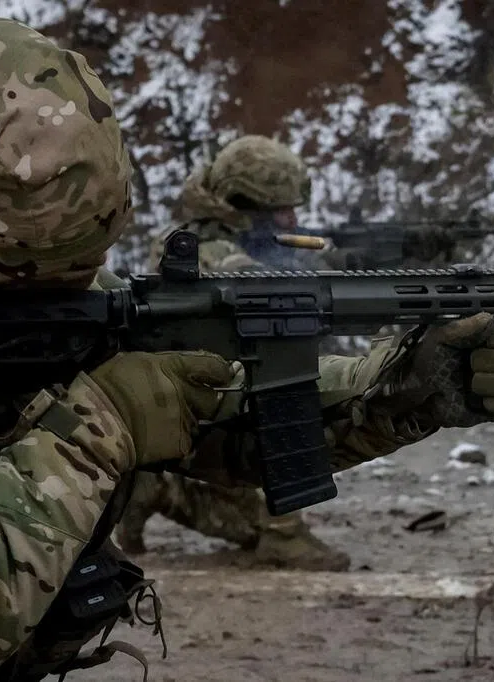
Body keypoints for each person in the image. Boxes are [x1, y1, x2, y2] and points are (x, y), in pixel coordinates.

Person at [0, 17, 494, 682]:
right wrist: (104, 419)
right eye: (33, 277)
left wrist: (401, 386)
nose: (68, 290)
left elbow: (217, 413)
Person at [118, 136, 351, 572]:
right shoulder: (201, 248)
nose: (292, 218)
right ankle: (283, 533)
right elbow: (249, 278)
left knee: (246, 523)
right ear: (245, 205)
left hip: (196, 412)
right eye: (281, 210)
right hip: (197, 407)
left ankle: (152, 488)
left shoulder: (207, 237)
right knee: (289, 395)